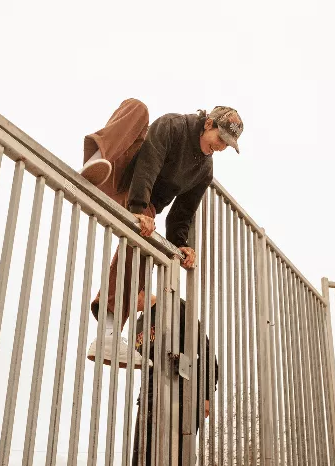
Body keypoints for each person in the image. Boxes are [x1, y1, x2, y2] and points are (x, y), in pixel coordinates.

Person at [80, 99, 243, 367]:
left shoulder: (204, 170)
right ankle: (97, 161)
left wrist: (182, 244)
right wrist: (139, 208)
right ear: (208, 123)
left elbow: (183, 212)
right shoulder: (173, 125)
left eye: (227, 144)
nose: (221, 147)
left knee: (146, 248)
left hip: (144, 205)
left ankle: (107, 336)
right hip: (118, 176)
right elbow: (148, 163)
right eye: (220, 138)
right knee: (137, 108)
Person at [131, 297, 218, 465]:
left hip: (180, 395)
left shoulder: (175, 306)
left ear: (141, 288)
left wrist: (207, 395)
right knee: (142, 459)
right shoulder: (138, 324)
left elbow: (205, 350)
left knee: (176, 458)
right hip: (148, 399)